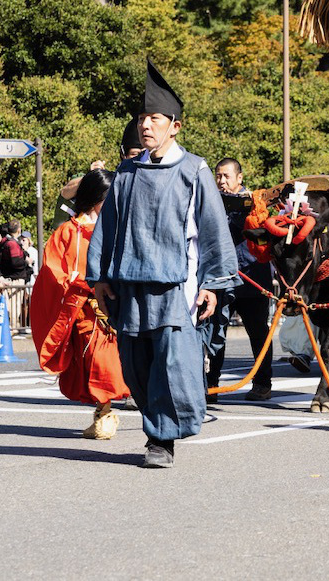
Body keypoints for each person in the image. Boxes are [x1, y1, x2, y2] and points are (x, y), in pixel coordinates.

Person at [86, 60, 239, 468]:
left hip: (176, 286)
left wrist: (212, 283)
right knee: (136, 366)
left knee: (171, 366)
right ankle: (157, 424)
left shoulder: (195, 171)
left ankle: (161, 440)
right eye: (141, 119)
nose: (145, 126)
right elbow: (108, 227)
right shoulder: (126, 172)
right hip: (130, 285)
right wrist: (99, 277)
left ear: (175, 125)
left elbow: (212, 230)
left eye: (153, 118)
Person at [32, 168, 130, 439]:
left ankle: (106, 410)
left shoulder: (117, 228)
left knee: (107, 361)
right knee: (91, 361)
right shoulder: (67, 231)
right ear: (97, 197)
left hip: (113, 304)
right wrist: (80, 284)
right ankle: (103, 410)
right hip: (82, 307)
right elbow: (53, 270)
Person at [205, 157, 275, 402]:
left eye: (226, 176)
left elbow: (265, 239)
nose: (222, 181)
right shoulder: (211, 202)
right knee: (215, 331)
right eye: (218, 176)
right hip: (221, 278)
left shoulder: (256, 203)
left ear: (239, 178)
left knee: (257, 332)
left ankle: (263, 383)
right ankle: (210, 383)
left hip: (252, 277)